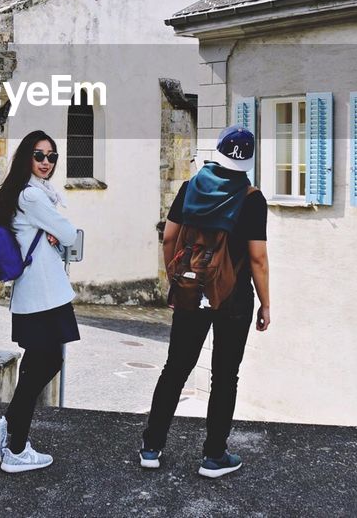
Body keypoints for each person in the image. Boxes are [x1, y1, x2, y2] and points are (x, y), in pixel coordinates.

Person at [140, 125, 271, 478]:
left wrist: (178, 279)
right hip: (234, 297)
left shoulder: (190, 186)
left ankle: (151, 447)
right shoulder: (252, 198)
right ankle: (214, 456)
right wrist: (266, 303)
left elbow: (169, 238)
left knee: (175, 368)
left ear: (219, 150)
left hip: (191, 290)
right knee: (225, 375)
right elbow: (257, 259)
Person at [0, 130, 82, 474]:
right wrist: (58, 230)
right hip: (44, 293)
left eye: (52, 157)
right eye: (39, 156)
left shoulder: (26, 194)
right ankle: (13, 441)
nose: (45, 163)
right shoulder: (33, 197)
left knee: (37, 363)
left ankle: (14, 439)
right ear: (27, 157)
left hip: (36, 293)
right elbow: (70, 234)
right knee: (49, 360)